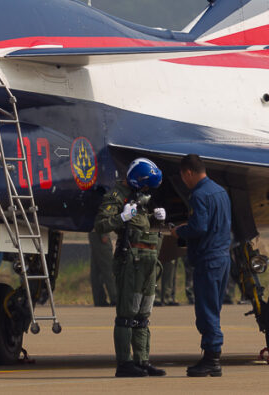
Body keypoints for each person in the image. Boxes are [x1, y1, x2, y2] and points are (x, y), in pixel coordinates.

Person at [94, 157, 169, 378]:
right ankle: (124, 363)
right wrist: (121, 217)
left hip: (147, 261)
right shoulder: (116, 197)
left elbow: (143, 226)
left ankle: (142, 360)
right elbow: (101, 225)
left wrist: (158, 220)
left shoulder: (139, 198)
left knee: (143, 315)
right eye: (146, 185)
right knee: (127, 314)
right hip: (130, 262)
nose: (148, 190)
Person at [172, 154, 231, 377]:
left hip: (208, 259)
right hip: (223, 257)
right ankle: (211, 357)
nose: (184, 181)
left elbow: (199, 227)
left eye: (183, 176)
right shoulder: (220, 192)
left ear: (188, 172)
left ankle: (212, 359)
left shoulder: (198, 195)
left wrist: (179, 231)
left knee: (206, 311)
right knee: (213, 308)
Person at [88, 229, 117, 307]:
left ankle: (99, 299)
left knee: (96, 271)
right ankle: (115, 298)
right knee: (109, 269)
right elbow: (101, 217)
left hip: (93, 233)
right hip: (100, 233)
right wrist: (104, 234)